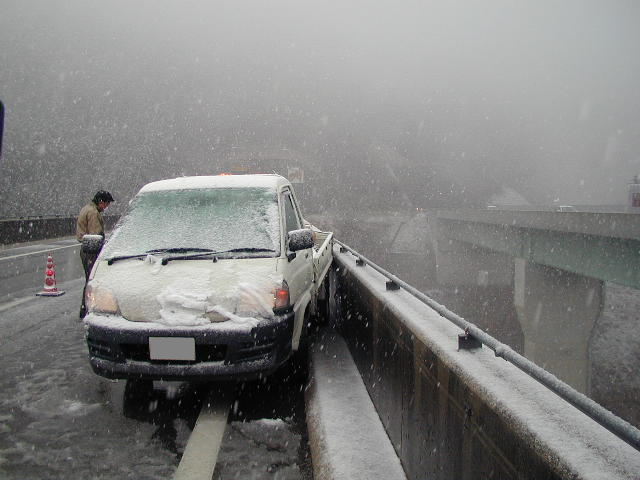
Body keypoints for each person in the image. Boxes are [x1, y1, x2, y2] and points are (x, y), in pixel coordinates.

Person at [77, 190, 114, 318]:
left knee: (89, 279)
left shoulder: (87, 208)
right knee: (92, 281)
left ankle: (85, 308)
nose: (106, 207)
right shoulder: (93, 213)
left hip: (85, 249)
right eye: (106, 204)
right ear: (101, 202)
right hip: (91, 250)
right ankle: (87, 309)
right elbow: (96, 235)